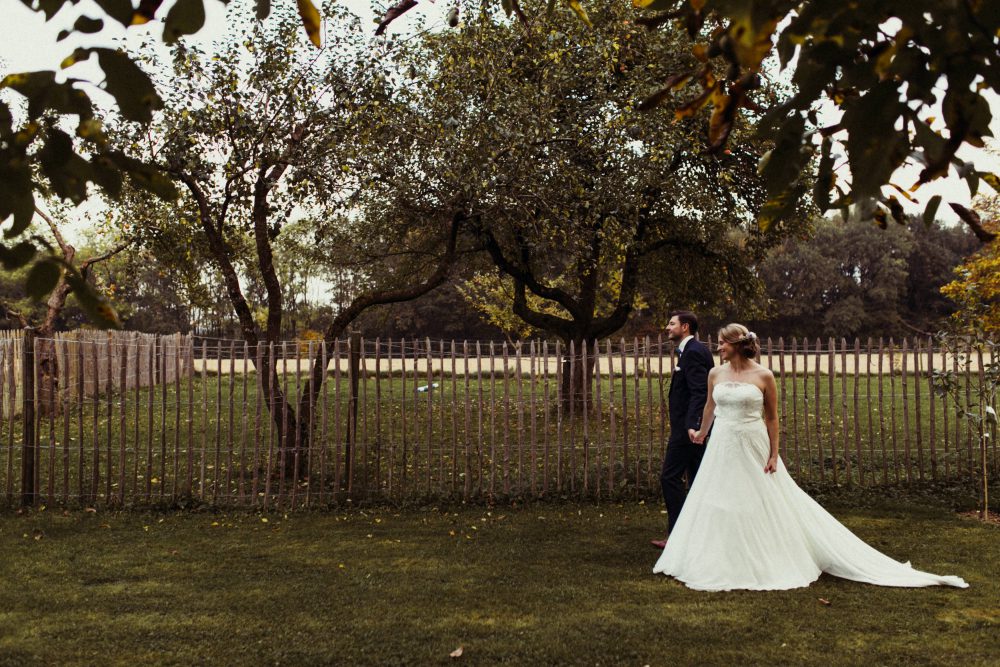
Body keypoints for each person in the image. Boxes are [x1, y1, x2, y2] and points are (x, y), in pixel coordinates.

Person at [653, 323, 968, 591]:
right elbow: (710, 407)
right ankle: (716, 557)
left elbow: (773, 418)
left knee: (759, 498)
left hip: (752, 441)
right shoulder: (714, 373)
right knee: (718, 498)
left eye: (722, 343)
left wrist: (775, 453)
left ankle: (767, 556)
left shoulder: (764, 376)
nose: (717, 347)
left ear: (736, 345)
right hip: (722, 442)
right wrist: (701, 432)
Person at [652, 311, 714, 549]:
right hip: (691, 428)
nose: (667, 327)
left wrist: (693, 425)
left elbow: (700, 391)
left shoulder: (694, 352)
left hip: (688, 430)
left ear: (685, 327)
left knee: (670, 477)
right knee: (698, 478)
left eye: (671, 323)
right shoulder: (689, 351)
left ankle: (677, 535)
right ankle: (698, 533)